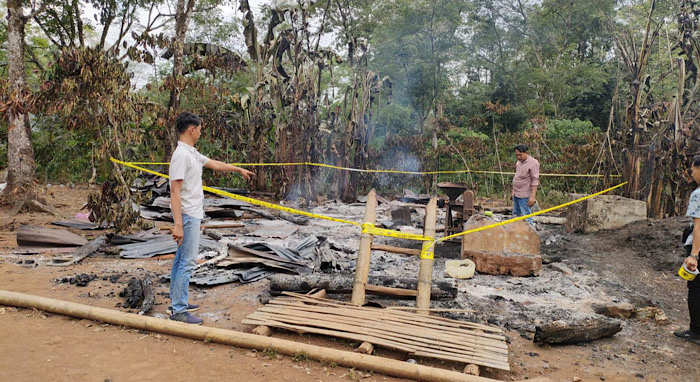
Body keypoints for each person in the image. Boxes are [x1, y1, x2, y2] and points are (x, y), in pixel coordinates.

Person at [168, 112, 255, 324]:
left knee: (180, 261)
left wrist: (237, 169)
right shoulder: (181, 155)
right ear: (192, 129)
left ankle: (178, 300)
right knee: (187, 262)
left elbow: (214, 164)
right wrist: (178, 224)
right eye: (200, 128)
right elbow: (174, 191)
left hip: (192, 215)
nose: (201, 131)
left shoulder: (191, 153)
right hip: (188, 216)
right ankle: (178, 310)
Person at [674, 155, 700, 344]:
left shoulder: (698, 195)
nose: (692, 174)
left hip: (698, 248)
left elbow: (699, 227)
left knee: (696, 288)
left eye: (693, 170)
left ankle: (696, 331)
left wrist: (694, 255)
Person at [511, 144, 539, 226]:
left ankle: (530, 234)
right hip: (516, 193)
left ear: (526, 153)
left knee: (526, 216)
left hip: (524, 195)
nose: (518, 157)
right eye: (517, 155)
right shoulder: (518, 163)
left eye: (520, 155)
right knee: (516, 214)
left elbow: (535, 180)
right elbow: (517, 177)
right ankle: (516, 232)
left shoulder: (533, 163)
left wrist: (532, 196)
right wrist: (513, 192)